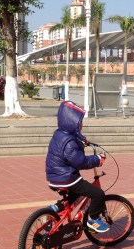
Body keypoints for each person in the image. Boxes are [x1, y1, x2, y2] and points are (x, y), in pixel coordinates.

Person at [45, 100, 109, 233]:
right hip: (67, 178)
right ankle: (94, 219)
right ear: (71, 122)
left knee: (75, 195)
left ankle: (54, 209)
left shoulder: (60, 133)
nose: (81, 124)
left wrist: (81, 141)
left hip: (54, 176)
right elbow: (80, 161)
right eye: (79, 122)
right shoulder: (70, 142)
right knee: (98, 194)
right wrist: (97, 159)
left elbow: (71, 145)